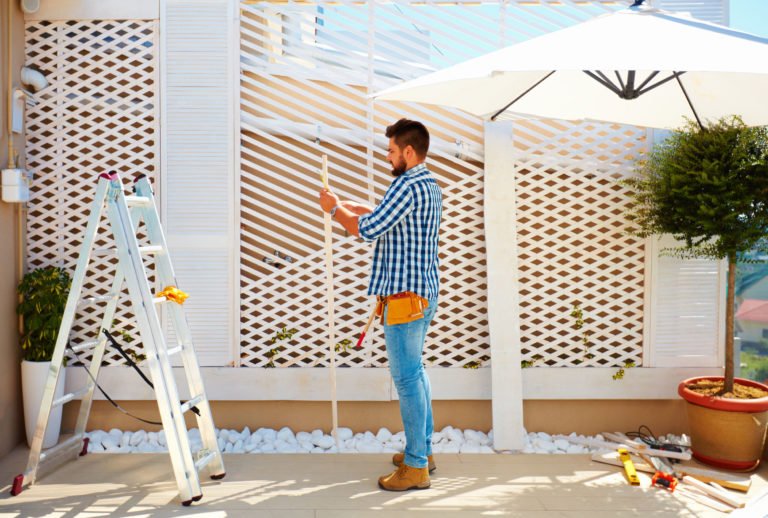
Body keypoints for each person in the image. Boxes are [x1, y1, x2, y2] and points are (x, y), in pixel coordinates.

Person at [318, 118, 442, 491]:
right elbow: (391, 219)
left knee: (407, 380)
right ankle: (423, 451)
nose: (387, 156)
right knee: (416, 375)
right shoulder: (428, 184)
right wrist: (353, 206)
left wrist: (333, 209)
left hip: (405, 300)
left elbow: (369, 230)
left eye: (390, 150)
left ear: (408, 151)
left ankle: (417, 467)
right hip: (423, 294)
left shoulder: (406, 184)